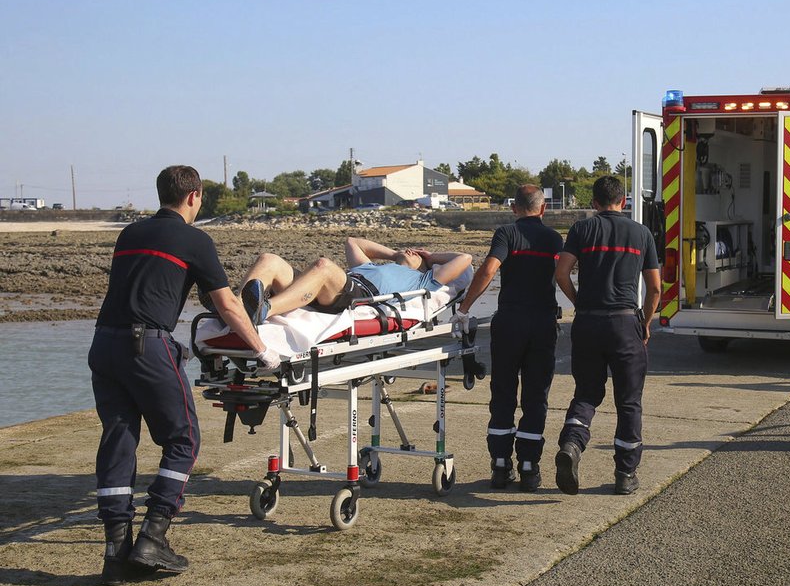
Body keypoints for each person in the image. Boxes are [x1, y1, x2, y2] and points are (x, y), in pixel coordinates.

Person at [89, 166, 278, 586]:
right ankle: (154, 534)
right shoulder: (195, 240)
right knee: (184, 439)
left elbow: (144, 289)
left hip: (104, 345)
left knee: (118, 440)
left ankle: (115, 554)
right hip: (145, 346)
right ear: (194, 197)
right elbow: (228, 306)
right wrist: (263, 352)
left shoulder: (129, 235)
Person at [553, 175, 661, 496]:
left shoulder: (581, 229)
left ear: (595, 203)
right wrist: (646, 321)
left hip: (588, 322)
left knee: (586, 393)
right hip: (626, 324)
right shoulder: (641, 233)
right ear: (624, 201)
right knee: (628, 401)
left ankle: (571, 446)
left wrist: (579, 302)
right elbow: (655, 287)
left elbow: (561, 273)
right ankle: (625, 474)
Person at [452, 185, 563, 492]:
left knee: (503, 393)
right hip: (542, 322)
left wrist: (465, 308)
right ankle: (529, 468)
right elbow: (561, 274)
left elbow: (488, 269)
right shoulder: (554, 239)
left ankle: (501, 466)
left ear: (514, 208)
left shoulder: (506, 234)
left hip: (510, 321)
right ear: (543, 209)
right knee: (535, 396)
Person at [239, 237, 472, 324]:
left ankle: (265, 310)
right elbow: (353, 242)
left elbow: (465, 259)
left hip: (357, 296)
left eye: (417, 255)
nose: (414, 251)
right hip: (329, 287)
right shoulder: (370, 266)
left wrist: (430, 257)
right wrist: (395, 254)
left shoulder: (423, 280)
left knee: (324, 266)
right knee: (269, 260)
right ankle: (235, 308)